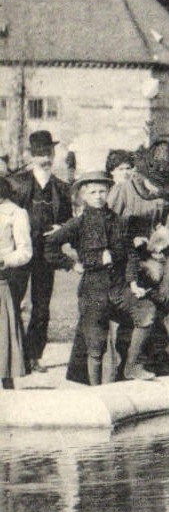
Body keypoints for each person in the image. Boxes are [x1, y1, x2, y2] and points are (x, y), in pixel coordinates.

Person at [46, 169, 157, 384]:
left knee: (147, 313)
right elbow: (50, 245)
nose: (98, 196)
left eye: (102, 191)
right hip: (93, 290)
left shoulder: (119, 221)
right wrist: (72, 264)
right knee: (96, 347)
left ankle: (132, 366)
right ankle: (95, 391)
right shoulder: (77, 224)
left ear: (108, 193)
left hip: (119, 288)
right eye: (93, 192)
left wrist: (133, 282)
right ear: (84, 196)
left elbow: (131, 254)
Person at [9, 129, 73, 373]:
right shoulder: (17, 183)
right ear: (31, 156)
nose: (45, 158)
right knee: (13, 303)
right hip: (21, 253)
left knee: (42, 306)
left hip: (47, 254)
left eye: (48, 152)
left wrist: (61, 228)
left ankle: (34, 355)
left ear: (54, 153)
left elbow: (69, 222)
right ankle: (12, 355)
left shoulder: (61, 188)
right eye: (39, 154)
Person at [0, 176, 32, 388]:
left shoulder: (16, 213)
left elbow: (25, 251)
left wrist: (4, 260)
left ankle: (7, 388)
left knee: (2, 337)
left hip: (1, 280)